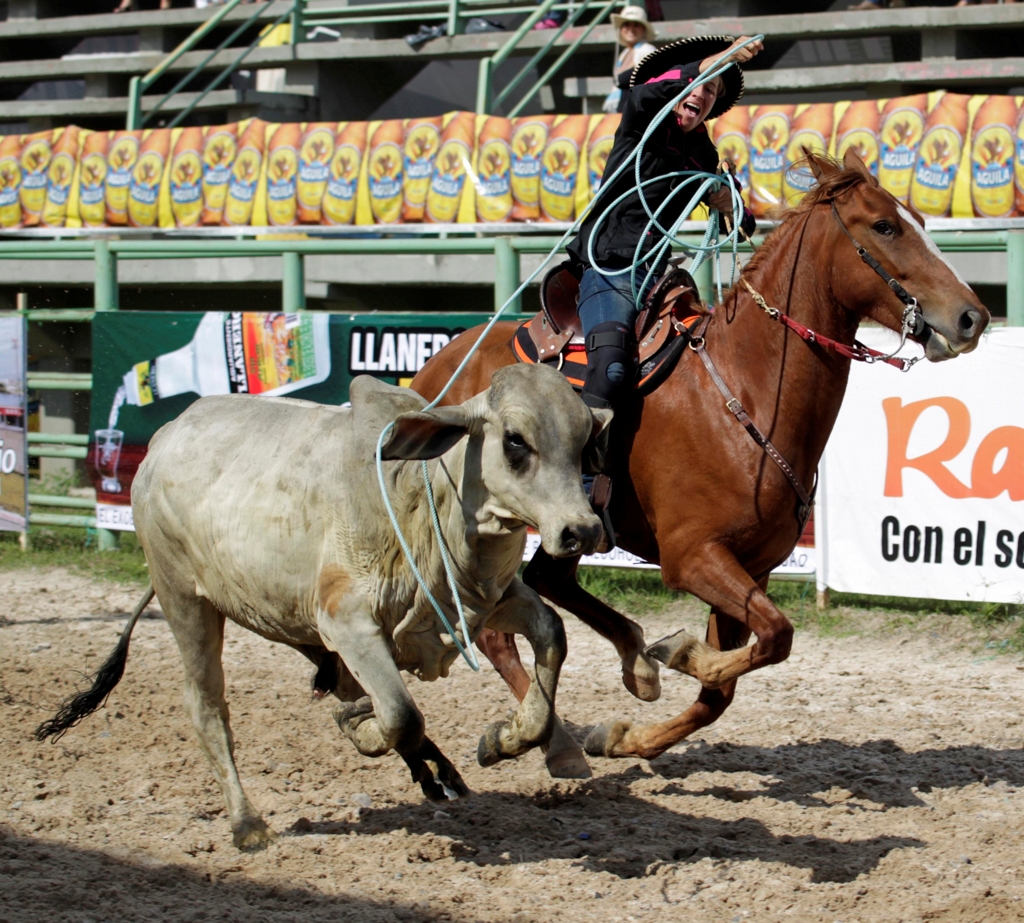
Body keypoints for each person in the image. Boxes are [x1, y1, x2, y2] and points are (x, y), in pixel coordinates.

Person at [566, 35, 762, 411]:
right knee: (611, 371)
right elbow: (643, 95)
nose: (704, 96)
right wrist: (719, 60)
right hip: (610, 267)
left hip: (659, 278)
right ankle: (586, 472)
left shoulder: (704, 151)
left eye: (713, 93)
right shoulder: (643, 118)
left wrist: (729, 203)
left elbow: (744, 223)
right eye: (702, 83)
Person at [603, 5, 658, 114]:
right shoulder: (624, 54)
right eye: (627, 25)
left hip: (638, 112)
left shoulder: (647, 50)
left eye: (636, 25)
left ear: (644, 29)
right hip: (622, 110)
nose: (631, 29)